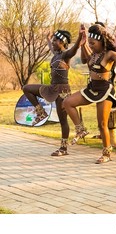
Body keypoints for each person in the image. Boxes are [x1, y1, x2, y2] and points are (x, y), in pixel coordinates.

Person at [63, 24, 116, 164]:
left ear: (101, 41)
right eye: (90, 43)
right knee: (67, 103)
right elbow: (84, 60)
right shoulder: (93, 54)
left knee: (102, 124)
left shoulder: (110, 54)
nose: (91, 46)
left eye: (93, 43)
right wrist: (82, 44)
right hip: (91, 88)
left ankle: (106, 153)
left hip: (105, 91)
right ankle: (81, 130)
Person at [22, 27, 84, 156]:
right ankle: (41, 113)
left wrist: (79, 37)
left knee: (63, 121)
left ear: (62, 42)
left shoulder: (66, 55)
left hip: (63, 90)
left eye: (56, 40)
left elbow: (75, 49)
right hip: (52, 88)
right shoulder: (56, 54)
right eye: (54, 40)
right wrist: (48, 39)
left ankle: (63, 148)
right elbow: (51, 47)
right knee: (26, 88)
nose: (54, 42)